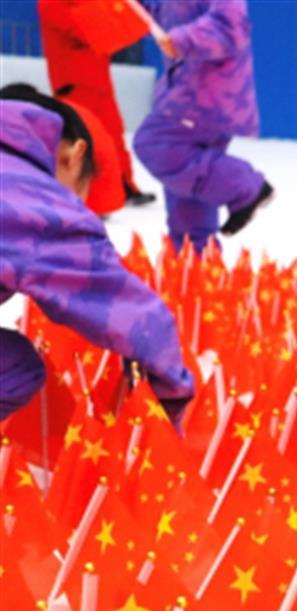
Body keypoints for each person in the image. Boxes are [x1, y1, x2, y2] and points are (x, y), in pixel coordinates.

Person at [0, 88, 193, 424]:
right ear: (74, 156)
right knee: (15, 369)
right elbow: (132, 316)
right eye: (81, 193)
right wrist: (170, 402)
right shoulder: (42, 204)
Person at [133, 0, 272, 251]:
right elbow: (157, 9)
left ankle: (245, 187)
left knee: (156, 144)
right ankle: (195, 257)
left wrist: (183, 40)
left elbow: (230, 25)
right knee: (188, 186)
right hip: (188, 91)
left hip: (206, 95)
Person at [37, 0, 156, 209]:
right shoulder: (52, 3)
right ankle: (90, 197)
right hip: (73, 80)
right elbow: (86, 30)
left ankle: (124, 186)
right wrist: (109, 15)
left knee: (113, 134)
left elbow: (103, 31)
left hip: (98, 79)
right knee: (84, 139)